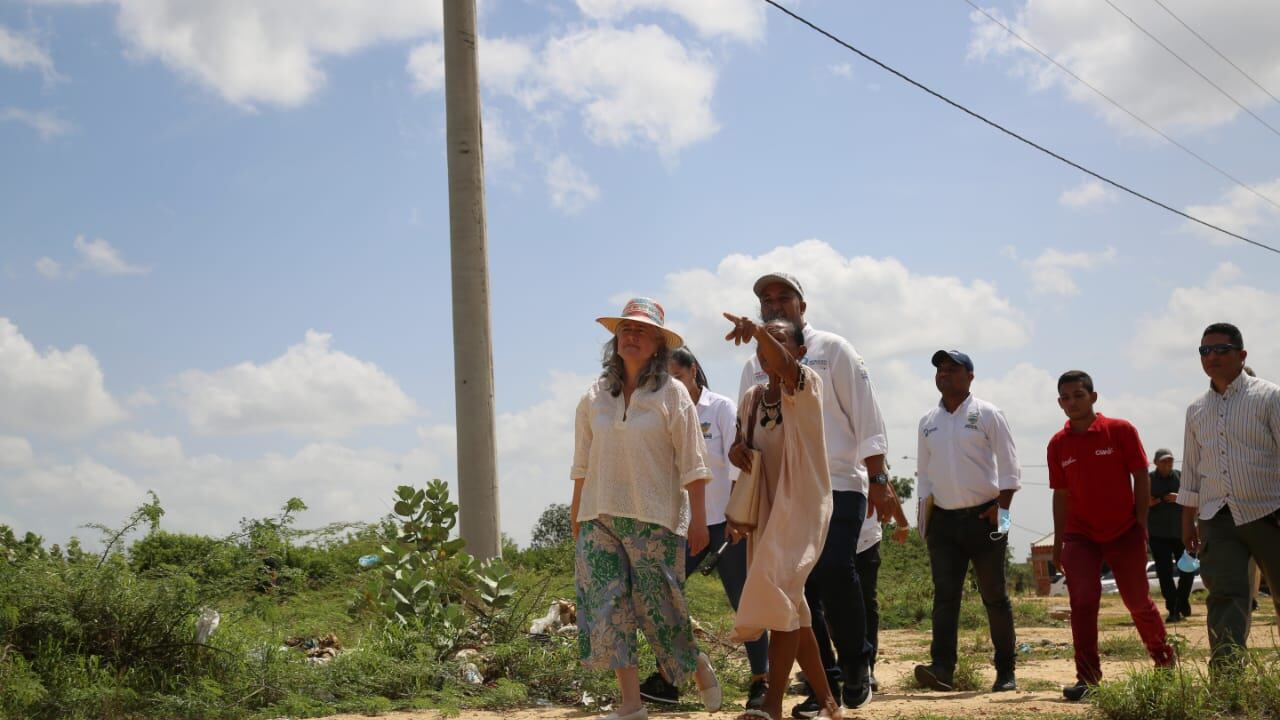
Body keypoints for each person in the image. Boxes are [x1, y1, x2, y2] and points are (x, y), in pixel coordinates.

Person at [732, 273, 889, 714]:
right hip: (777, 499)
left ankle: (856, 667)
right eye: (766, 299)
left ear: (803, 305)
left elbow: (867, 416)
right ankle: (829, 693)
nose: (774, 304)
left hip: (835, 484)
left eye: (784, 296)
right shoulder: (752, 368)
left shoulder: (829, 351)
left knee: (836, 571)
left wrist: (879, 480)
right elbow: (749, 433)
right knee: (801, 597)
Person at [570, 298, 721, 720]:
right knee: (607, 607)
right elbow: (581, 463)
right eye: (625, 330)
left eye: (641, 331)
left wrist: (700, 520)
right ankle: (632, 705)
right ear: (615, 340)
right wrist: (576, 515)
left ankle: (696, 664)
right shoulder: (594, 396)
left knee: (660, 609)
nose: (631, 336)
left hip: (655, 517)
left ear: (658, 345)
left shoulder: (672, 395)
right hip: (598, 516)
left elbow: (693, 462)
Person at [723, 314, 841, 720]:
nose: (766, 349)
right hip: (768, 513)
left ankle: (772, 706)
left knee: (777, 594)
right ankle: (829, 703)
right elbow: (744, 449)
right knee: (792, 605)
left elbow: (787, 370)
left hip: (803, 508)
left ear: (800, 351)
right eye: (761, 343)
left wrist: (757, 330)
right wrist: (736, 451)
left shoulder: (807, 384)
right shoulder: (753, 398)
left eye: (776, 342)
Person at [638, 347, 769, 710]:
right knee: (661, 599)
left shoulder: (722, 408)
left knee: (745, 604)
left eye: (677, 377)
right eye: (664, 381)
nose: (671, 386)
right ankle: (673, 676)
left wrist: (736, 518)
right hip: (681, 526)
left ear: (693, 371)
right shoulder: (661, 412)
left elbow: (737, 465)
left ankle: (762, 679)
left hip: (725, 523)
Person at [1049, 370, 1174, 701]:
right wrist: (1058, 544)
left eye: (1078, 395)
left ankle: (1165, 663)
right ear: (1060, 403)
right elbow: (1060, 495)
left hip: (1124, 532)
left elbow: (1140, 476)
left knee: (1137, 602)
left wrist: (1141, 520)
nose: (1072, 402)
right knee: (1083, 604)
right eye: (1066, 397)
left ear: (1093, 396)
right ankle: (1087, 680)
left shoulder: (1120, 430)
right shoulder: (1057, 445)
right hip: (1080, 536)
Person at [913, 350, 1021, 693]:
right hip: (943, 522)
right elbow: (924, 476)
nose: (944, 374)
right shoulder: (928, 420)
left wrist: (1002, 513)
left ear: (970, 376)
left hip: (987, 516)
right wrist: (924, 523)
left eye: (952, 369)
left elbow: (1009, 467)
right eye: (940, 370)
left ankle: (1006, 672)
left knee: (995, 595)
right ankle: (942, 669)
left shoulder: (988, 413)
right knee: (945, 597)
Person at [1179, 323, 1280, 675]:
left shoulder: (1270, 397)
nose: (1213, 357)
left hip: (1269, 512)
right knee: (1225, 597)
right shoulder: (1196, 410)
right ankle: (1227, 682)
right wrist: (1187, 521)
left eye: (1222, 349)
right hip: (1216, 517)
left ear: (1242, 354)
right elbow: (1191, 471)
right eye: (1205, 351)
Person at [857, 501, 910, 692]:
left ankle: (867, 667)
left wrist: (902, 523)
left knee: (866, 601)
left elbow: (883, 480)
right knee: (831, 603)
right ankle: (834, 667)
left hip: (867, 537)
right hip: (831, 534)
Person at [1147, 448, 1195, 623]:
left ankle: (1182, 599)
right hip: (1158, 535)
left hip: (1182, 532)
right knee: (1164, 573)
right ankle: (1173, 607)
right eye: (1163, 461)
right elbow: (1139, 501)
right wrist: (1153, 501)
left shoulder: (1181, 476)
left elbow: (1192, 498)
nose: (1167, 464)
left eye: (1170, 461)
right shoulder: (1149, 479)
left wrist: (1178, 497)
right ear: (1156, 462)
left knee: (1189, 569)